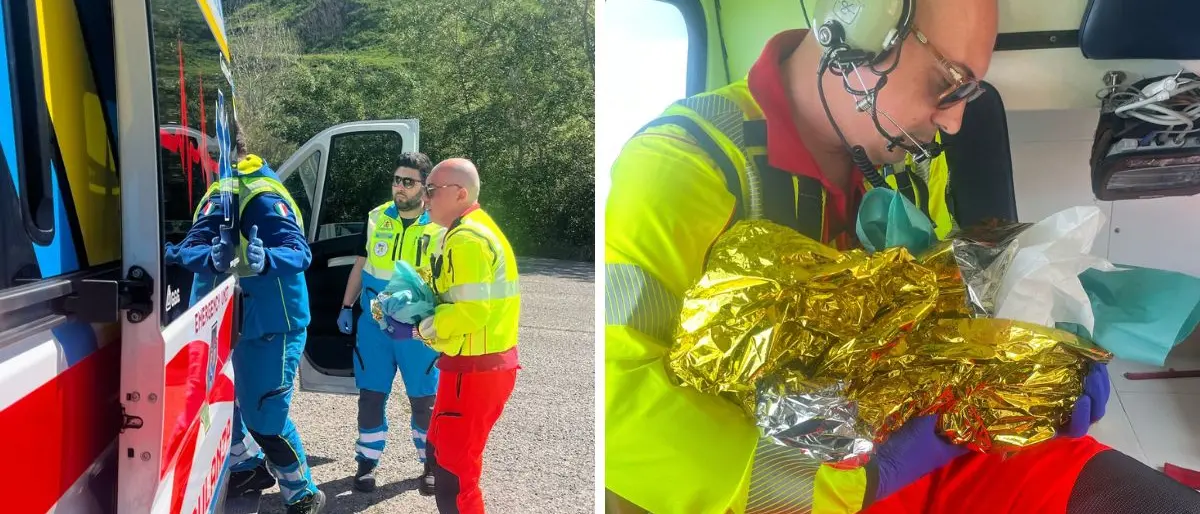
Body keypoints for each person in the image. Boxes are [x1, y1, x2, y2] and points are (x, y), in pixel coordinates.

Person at [603, 0, 1200, 512]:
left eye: (968, 93)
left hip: (928, 449)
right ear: (862, 30)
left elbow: (950, 300)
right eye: (947, 83)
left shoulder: (912, 161)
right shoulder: (682, 167)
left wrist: (1039, 354)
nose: (955, 119)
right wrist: (854, 482)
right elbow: (619, 408)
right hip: (789, 487)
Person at [175, 137, 326, 514]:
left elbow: (298, 251)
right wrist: (201, 254)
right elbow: (192, 245)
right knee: (225, 400)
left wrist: (267, 259)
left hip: (269, 324)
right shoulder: (222, 189)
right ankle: (246, 466)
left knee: (266, 415)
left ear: (212, 158)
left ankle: (302, 492)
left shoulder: (259, 192)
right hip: (223, 320)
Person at [387, 157, 521, 514]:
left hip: (474, 371)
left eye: (432, 190)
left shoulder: (466, 238)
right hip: (471, 368)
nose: (425, 197)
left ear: (460, 193)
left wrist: (417, 327)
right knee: (442, 456)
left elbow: (471, 312)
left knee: (454, 478)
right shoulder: (469, 229)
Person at [336, 152, 444, 494]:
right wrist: (345, 305)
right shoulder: (375, 218)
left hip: (418, 329)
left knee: (424, 401)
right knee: (370, 396)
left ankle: (430, 464)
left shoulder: (440, 225)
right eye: (397, 179)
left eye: (408, 181)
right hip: (375, 327)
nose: (400, 187)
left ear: (424, 188)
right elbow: (360, 265)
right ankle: (366, 464)